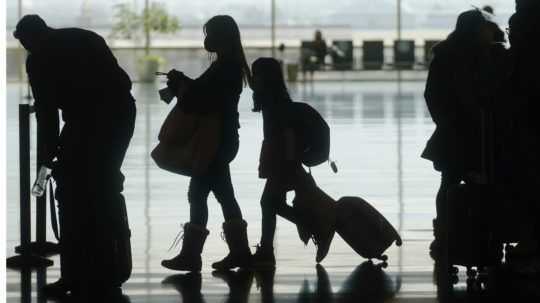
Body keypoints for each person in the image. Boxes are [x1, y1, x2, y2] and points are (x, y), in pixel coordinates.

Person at [13, 15, 136, 298]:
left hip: (84, 123)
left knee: (71, 198)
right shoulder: (85, 38)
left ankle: (74, 275)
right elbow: (124, 82)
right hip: (118, 117)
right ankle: (110, 268)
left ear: (29, 38)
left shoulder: (39, 59)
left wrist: (46, 157)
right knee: (105, 188)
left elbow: (47, 115)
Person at [161, 15, 252, 272]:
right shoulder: (228, 66)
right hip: (220, 140)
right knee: (222, 194)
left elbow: (203, 101)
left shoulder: (225, 68)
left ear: (221, 37)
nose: (207, 40)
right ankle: (239, 253)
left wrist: (181, 85)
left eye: (210, 34)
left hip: (214, 141)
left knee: (199, 193)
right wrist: (183, 84)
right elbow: (205, 95)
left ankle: (192, 255)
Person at [421, 9, 504, 258]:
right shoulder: (486, 55)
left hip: (452, 134)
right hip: (480, 132)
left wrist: (444, 121)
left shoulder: (444, 56)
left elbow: (431, 94)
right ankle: (481, 234)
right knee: (483, 183)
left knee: (448, 183)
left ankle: (444, 234)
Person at [250, 57, 308, 268]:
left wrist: (290, 162)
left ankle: (306, 224)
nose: (253, 80)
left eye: (256, 75)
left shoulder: (276, 104)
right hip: (279, 157)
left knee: (268, 202)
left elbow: (288, 134)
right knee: (274, 203)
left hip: (281, 159)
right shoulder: (274, 100)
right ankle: (267, 249)